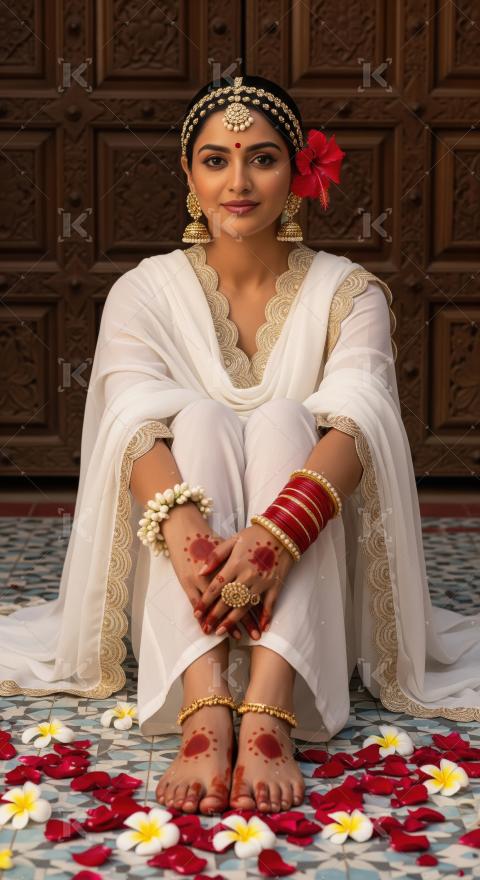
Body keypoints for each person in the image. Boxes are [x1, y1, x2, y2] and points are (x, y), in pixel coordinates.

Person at [1, 74, 480, 819]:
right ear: (190, 176)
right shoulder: (145, 289)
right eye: (216, 160)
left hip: (303, 555)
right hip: (185, 565)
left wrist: (273, 538)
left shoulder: (350, 293)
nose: (239, 181)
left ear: (297, 172)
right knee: (195, 420)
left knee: (289, 419)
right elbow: (131, 421)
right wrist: (194, 540)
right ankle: (203, 705)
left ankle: (267, 706)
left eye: (261, 158)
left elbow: (359, 419)